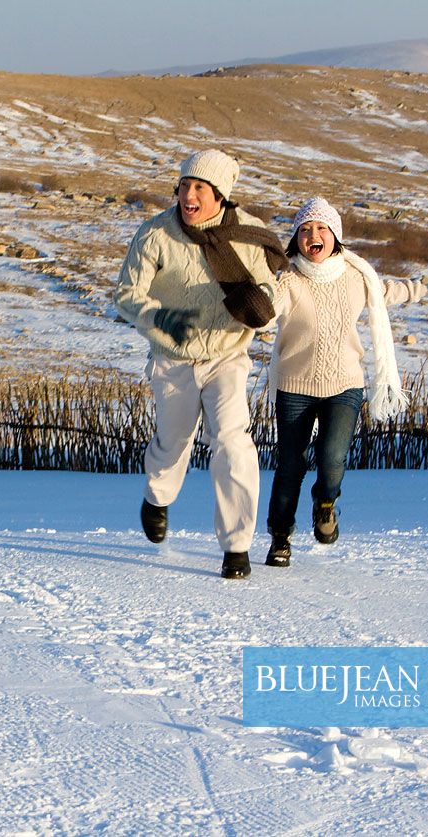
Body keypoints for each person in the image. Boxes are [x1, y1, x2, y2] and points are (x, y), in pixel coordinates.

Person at [263, 197, 428, 567]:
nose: (313, 236)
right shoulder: (287, 280)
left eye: (321, 228)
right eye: (305, 230)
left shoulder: (357, 277)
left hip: (344, 385)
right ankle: (280, 537)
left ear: (335, 236)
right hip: (295, 386)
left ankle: (325, 504)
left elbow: (391, 291)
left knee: (332, 458)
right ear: (296, 239)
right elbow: (263, 312)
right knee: (290, 464)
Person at [114, 149, 288, 580]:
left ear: (221, 196)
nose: (188, 196)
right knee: (173, 445)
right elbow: (126, 295)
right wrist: (159, 316)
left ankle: (236, 546)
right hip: (173, 358)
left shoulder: (249, 233)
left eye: (200, 189)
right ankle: (157, 497)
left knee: (232, 440)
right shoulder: (156, 234)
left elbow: (274, 281)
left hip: (227, 356)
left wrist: (263, 303)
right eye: (184, 186)